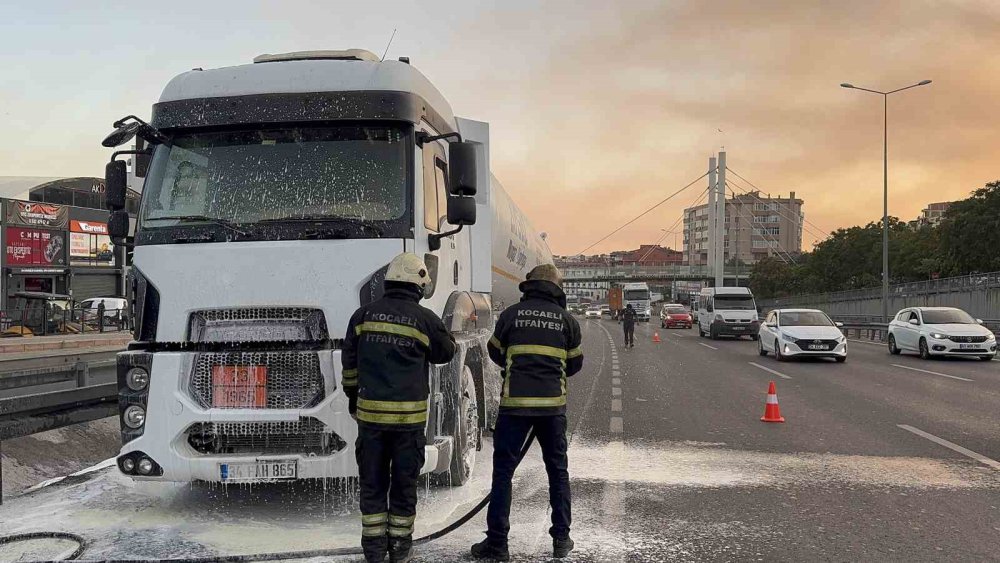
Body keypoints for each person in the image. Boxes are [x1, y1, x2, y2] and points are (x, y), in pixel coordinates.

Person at [342, 253, 456, 563]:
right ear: (418, 285)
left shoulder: (362, 316)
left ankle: (375, 549)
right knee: (404, 483)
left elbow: (349, 364)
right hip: (409, 424)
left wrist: (353, 396)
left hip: (370, 421)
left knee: (373, 481)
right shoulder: (425, 319)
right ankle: (401, 545)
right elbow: (445, 354)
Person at [471, 264, 583, 561]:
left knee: (503, 473)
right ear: (558, 290)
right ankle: (561, 538)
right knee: (557, 472)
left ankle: (497, 544)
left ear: (529, 286)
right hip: (552, 410)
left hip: (515, 407)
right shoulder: (567, 321)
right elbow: (574, 365)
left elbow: (495, 353)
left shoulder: (510, 316)